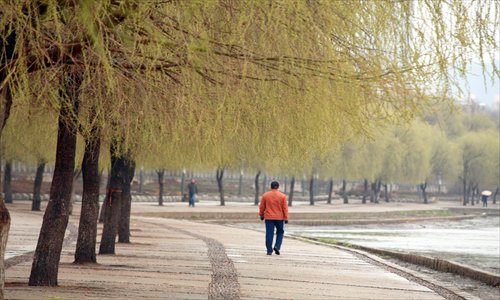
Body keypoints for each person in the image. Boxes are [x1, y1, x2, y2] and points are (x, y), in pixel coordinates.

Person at [259, 181, 288, 255]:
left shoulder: (265, 195)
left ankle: (269, 250)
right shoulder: (282, 196)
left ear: (270, 186)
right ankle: (277, 246)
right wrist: (286, 218)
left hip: (269, 218)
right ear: (278, 187)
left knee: (269, 233)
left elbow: (262, 207)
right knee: (280, 232)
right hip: (279, 218)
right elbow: (285, 208)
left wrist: (261, 215)